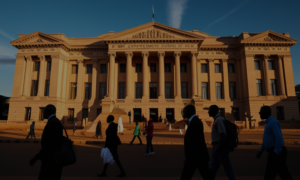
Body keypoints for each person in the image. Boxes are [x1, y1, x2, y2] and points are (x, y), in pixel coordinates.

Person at [256, 106, 293, 180]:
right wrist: (261, 151)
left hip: (276, 152)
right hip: (275, 152)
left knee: (269, 175)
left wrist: (276, 152)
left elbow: (279, 138)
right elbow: (268, 140)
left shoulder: (273, 122)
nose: (259, 113)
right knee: (283, 173)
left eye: (261, 112)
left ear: (266, 113)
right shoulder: (268, 122)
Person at [29, 104, 64, 180]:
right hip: (53, 161)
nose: (43, 113)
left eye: (44, 111)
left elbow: (50, 145)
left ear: (49, 111)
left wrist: (36, 157)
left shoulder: (53, 123)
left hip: (51, 162)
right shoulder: (55, 121)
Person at [180, 105, 213, 180]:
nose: (183, 112)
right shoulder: (193, 121)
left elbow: (195, 141)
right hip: (197, 157)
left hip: (197, 157)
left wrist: (188, 158)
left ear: (189, 111)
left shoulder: (196, 122)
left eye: (184, 111)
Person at [209, 105, 236, 180]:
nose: (208, 111)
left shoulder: (218, 120)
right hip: (217, 147)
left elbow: (223, 134)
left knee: (227, 168)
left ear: (214, 111)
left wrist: (218, 147)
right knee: (212, 168)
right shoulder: (217, 119)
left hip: (220, 148)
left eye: (209, 110)